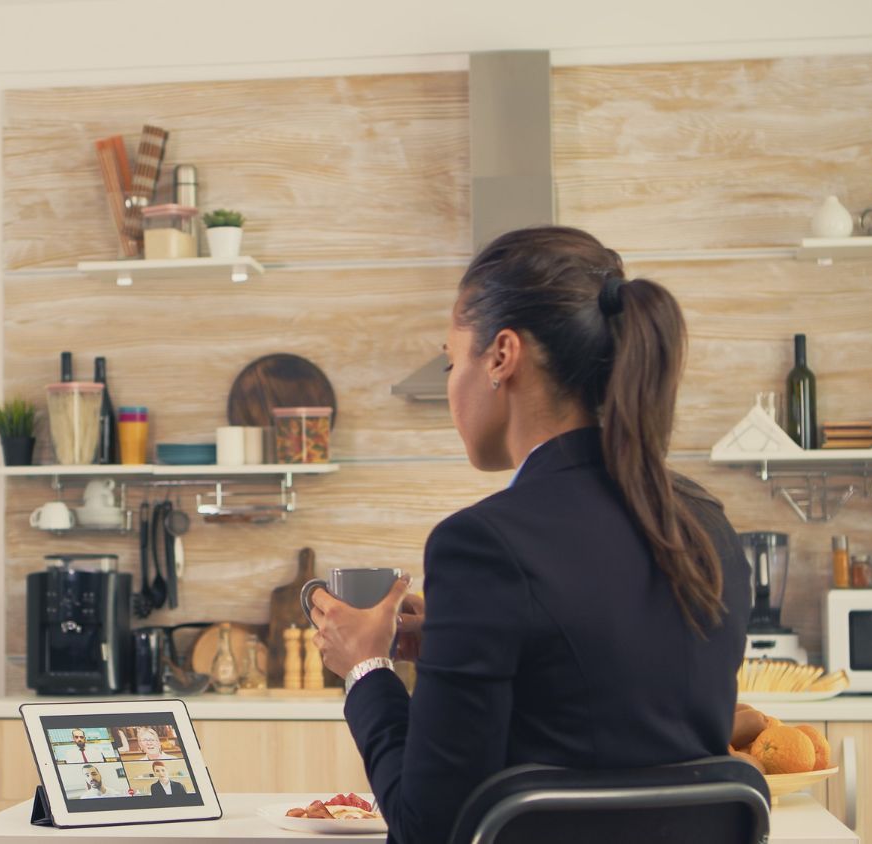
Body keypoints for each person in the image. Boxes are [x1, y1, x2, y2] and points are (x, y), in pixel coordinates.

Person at [308, 226, 751, 844]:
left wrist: (365, 668)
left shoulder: (481, 544)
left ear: (501, 356)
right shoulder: (706, 525)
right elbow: (605, 704)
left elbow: (426, 829)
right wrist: (451, 640)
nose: (450, 384)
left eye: (452, 359)